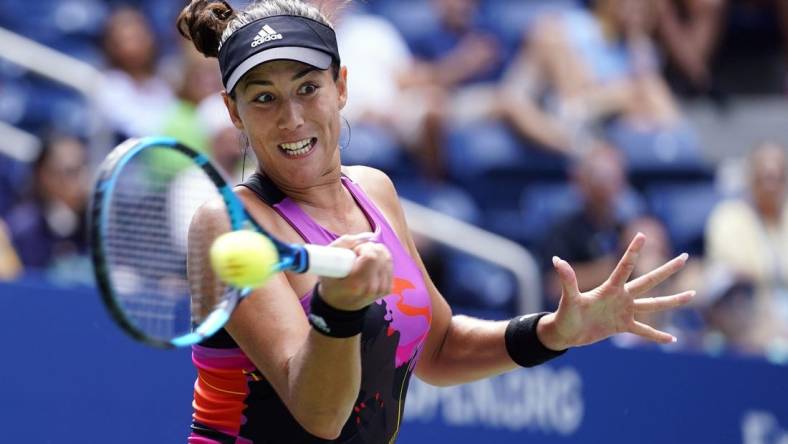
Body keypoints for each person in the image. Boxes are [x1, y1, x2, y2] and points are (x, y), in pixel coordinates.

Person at [177, 1, 694, 442]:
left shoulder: (375, 190)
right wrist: (338, 308)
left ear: (341, 86)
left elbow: (440, 349)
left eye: (307, 88)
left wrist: (554, 331)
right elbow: (320, 417)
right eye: (263, 97)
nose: (291, 117)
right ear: (233, 111)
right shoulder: (227, 222)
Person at [705, 141, 788, 348]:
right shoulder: (728, 216)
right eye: (764, 178)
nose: (771, 185)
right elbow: (736, 273)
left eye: (778, 178)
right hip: (750, 313)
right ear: (750, 179)